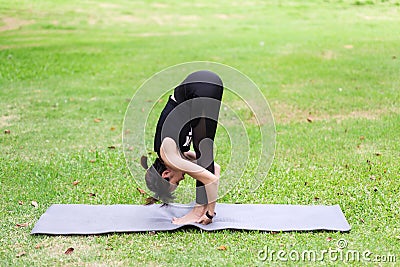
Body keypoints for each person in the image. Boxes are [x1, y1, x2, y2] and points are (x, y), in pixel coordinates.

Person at [144, 70, 223, 225]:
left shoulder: (170, 157)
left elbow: (211, 179)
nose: (182, 178)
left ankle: (198, 211)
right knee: (204, 150)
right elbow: (214, 168)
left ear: (166, 174)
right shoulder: (178, 153)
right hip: (210, 82)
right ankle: (199, 209)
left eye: (177, 182)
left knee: (204, 150)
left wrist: (210, 212)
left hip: (197, 88)